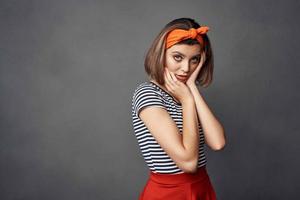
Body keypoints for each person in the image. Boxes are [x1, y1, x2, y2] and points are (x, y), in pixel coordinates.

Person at [131, 17, 226, 200]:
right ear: (161, 54)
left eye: (194, 60)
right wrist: (188, 102)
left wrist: (192, 89)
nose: (186, 68)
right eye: (178, 57)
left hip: (201, 186)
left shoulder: (185, 92)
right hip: (170, 193)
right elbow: (189, 163)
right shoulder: (148, 93)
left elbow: (218, 142)